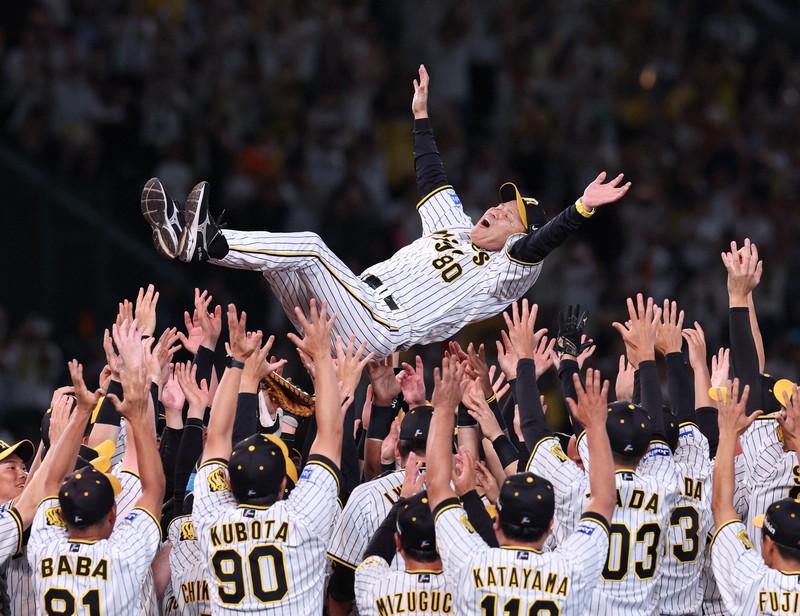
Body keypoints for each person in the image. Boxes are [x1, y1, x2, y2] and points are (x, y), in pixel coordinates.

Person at [140, 65, 630, 359]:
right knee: (281, 261)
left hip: (378, 328)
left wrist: (581, 208)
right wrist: (420, 116)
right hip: (344, 307)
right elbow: (433, 179)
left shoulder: (506, 273)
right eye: (502, 203)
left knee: (310, 246)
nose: (498, 210)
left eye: (510, 215)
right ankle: (187, 236)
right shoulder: (456, 227)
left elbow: (539, 244)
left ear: (518, 237)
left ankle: (202, 242)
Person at [425, 351, 616, 614]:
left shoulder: (471, 561)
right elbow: (604, 500)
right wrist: (595, 427)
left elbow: (436, 487)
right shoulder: (571, 568)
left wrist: (444, 408)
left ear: (497, 523)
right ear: (550, 527)